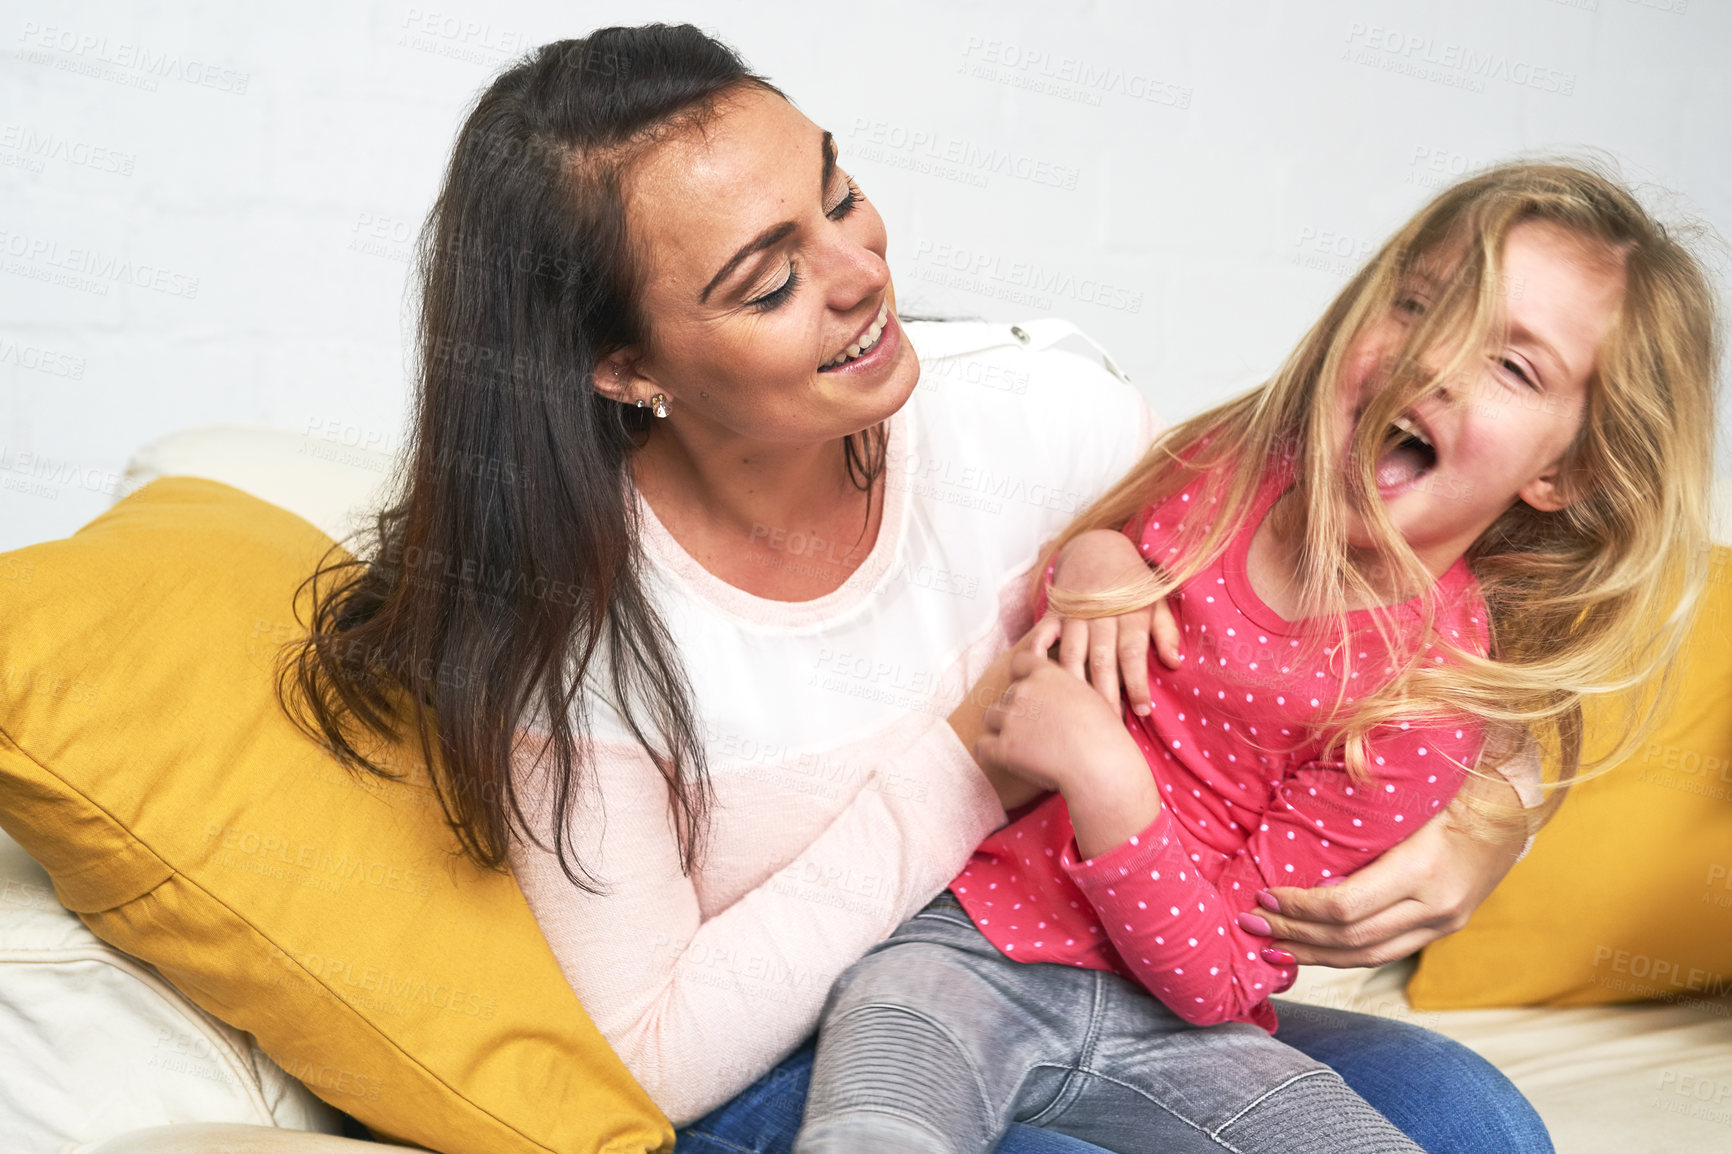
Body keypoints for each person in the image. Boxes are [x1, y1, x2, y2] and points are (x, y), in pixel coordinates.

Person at [280, 23, 1573, 1153]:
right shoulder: (583, 637)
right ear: (624, 363)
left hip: (1090, 970)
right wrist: (981, 756)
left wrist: (1492, 812)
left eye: (838, 196)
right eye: (769, 277)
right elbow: (650, 1051)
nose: (858, 274)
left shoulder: (1041, 415)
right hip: (782, 1051)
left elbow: (1373, 605)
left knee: (1468, 1120)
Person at [793, 162, 1718, 1154]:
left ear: (1560, 472)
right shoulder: (1231, 473)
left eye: (1514, 366)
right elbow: (1103, 558)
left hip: (1180, 1030)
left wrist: (1102, 775)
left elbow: (1218, 978)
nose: (1436, 361)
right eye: (1418, 304)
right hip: (962, 952)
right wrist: (1094, 563)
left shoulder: (1428, 704)